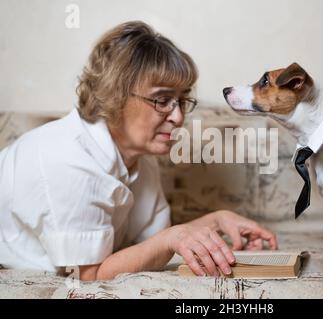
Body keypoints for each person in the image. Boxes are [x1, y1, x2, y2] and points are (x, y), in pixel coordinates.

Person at [0, 21, 277, 281]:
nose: (178, 118)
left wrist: (215, 221)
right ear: (114, 95)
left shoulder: (141, 159)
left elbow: (151, 245)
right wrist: (172, 237)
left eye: (182, 100)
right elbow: (87, 275)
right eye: (162, 100)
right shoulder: (66, 159)